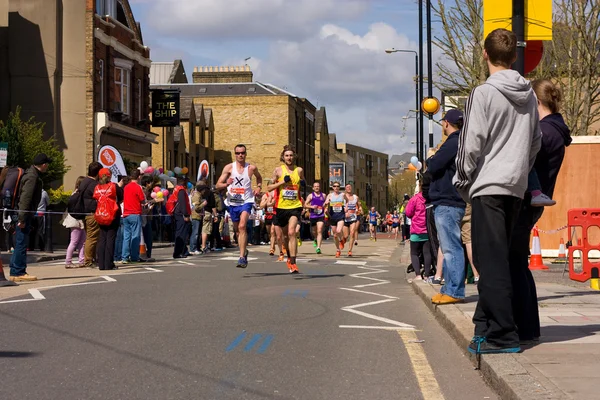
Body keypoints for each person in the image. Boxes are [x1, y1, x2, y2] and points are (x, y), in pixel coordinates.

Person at [453, 28, 541, 354]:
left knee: (490, 265)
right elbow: (535, 143)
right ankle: (485, 327)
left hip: (487, 186)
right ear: (514, 56)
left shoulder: (483, 93)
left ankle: (504, 336)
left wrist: (462, 181)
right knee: (499, 258)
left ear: (485, 54)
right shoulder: (529, 95)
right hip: (515, 186)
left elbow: (471, 143)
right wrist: (519, 171)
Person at [510, 79, 571, 344]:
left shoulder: (546, 131)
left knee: (514, 264)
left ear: (535, 102)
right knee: (517, 264)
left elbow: (525, 157)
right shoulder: (554, 129)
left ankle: (523, 328)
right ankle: (527, 328)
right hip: (530, 200)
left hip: (526, 202)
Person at [427, 108, 467, 305]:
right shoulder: (462, 140)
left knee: (451, 248)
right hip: (453, 200)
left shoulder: (453, 142)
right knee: (450, 246)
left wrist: (430, 159)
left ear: (446, 123)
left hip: (448, 201)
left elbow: (434, 166)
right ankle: (448, 288)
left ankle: (455, 291)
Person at [216, 144, 263, 268]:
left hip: (246, 201)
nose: (240, 155)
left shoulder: (251, 168)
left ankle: (242, 258)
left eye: (242, 153)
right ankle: (244, 250)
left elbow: (259, 178)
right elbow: (217, 185)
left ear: (245, 154)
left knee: (242, 226)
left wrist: (258, 188)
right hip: (232, 202)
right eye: (238, 153)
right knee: (237, 230)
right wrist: (227, 183)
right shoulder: (229, 168)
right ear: (235, 154)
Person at [8, 153, 51, 281]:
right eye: (47, 164)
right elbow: (25, 199)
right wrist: (21, 218)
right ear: (43, 165)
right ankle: (18, 272)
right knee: (21, 243)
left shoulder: (31, 174)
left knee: (20, 242)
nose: (47, 166)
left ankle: (15, 269)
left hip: (23, 213)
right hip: (23, 214)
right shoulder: (32, 177)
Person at [267, 145, 305, 273]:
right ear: (283, 157)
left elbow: (303, 181)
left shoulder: (299, 170)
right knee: (283, 237)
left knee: (291, 232)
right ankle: (289, 256)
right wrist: (282, 182)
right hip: (280, 207)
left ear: (294, 156)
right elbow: (269, 188)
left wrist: (303, 183)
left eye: (291, 155)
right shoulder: (278, 171)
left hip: (295, 206)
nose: (289, 157)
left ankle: (294, 262)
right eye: (287, 155)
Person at [93, 168, 123, 271]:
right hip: (112, 213)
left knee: (102, 239)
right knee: (110, 239)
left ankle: (101, 264)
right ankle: (108, 264)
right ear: (109, 175)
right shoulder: (113, 186)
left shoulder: (97, 187)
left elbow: (95, 198)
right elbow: (121, 197)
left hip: (100, 213)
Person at [405, 180, 431, 280]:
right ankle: (427, 275)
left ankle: (418, 275)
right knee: (427, 253)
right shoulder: (430, 199)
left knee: (414, 253)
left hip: (416, 230)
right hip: (427, 230)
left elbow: (408, 213)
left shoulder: (414, 199)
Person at [121, 169, 146, 264]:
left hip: (126, 214)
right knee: (135, 236)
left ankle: (124, 257)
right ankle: (134, 256)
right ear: (139, 177)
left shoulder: (126, 187)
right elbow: (142, 200)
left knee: (126, 236)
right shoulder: (138, 187)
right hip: (135, 213)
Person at [63, 176, 86, 268]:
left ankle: (81, 260)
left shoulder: (74, 194)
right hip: (76, 219)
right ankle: (68, 261)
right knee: (74, 241)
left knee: (82, 241)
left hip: (76, 219)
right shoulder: (78, 195)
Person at [82, 161, 101, 269]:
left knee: (90, 237)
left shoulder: (84, 181)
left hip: (85, 213)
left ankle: (91, 259)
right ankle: (88, 260)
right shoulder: (93, 184)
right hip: (92, 213)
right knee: (92, 238)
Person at [324, 182, 346, 258]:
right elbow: (324, 205)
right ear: (332, 187)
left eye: (338, 186)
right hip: (332, 217)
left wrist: (346, 207)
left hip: (341, 216)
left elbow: (347, 201)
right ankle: (338, 250)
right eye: (334, 186)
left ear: (339, 187)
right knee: (335, 235)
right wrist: (326, 203)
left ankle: (341, 240)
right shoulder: (330, 195)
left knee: (339, 231)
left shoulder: (342, 195)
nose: (336, 187)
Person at [172, 176, 192, 258]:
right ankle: (178, 252)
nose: (187, 184)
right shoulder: (181, 190)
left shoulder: (177, 189)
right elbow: (183, 204)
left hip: (178, 213)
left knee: (181, 233)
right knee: (181, 234)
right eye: (186, 182)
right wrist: (186, 215)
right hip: (181, 214)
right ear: (183, 182)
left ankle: (183, 251)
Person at [305, 182, 326, 254]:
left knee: (319, 230)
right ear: (313, 188)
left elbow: (326, 204)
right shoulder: (311, 196)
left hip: (321, 215)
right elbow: (305, 205)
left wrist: (325, 208)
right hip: (313, 215)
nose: (316, 187)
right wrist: (311, 207)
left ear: (320, 187)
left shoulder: (323, 195)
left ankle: (318, 247)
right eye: (315, 186)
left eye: (318, 186)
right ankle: (315, 239)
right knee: (314, 232)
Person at [461, 204, 479, 283]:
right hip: (468, 203)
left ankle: (440, 276)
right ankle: (476, 275)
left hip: (452, 203)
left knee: (449, 241)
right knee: (469, 241)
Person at [342, 183, 360, 257]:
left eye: (350, 187)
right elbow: (339, 206)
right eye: (347, 187)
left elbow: (358, 205)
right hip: (345, 218)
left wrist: (359, 209)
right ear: (345, 189)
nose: (349, 188)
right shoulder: (342, 197)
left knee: (352, 233)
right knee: (346, 236)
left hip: (353, 218)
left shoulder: (356, 197)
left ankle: (350, 251)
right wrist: (344, 212)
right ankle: (343, 240)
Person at [190, 183, 207, 255]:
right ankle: (193, 249)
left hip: (199, 215)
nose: (204, 191)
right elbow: (196, 207)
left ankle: (196, 247)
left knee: (197, 232)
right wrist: (203, 204)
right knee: (195, 233)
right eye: (204, 190)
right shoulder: (197, 196)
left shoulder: (199, 195)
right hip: (195, 216)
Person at [260, 190, 278, 256]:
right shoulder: (265, 196)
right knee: (270, 233)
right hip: (268, 216)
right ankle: (273, 245)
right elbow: (261, 206)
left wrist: (271, 202)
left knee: (273, 231)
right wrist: (267, 201)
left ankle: (271, 249)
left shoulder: (277, 194)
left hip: (275, 214)